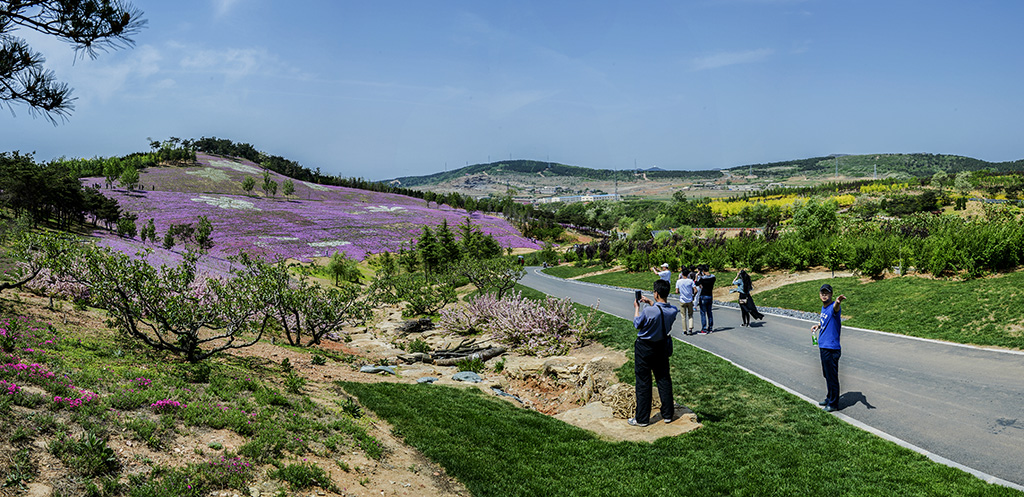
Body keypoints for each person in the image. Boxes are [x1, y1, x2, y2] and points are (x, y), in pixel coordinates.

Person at [628, 279, 679, 427]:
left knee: (643, 382)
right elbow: (660, 312)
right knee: (663, 379)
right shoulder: (673, 310)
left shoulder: (649, 310)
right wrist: (652, 302)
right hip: (661, 347)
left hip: (645, 348)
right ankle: (668, 414)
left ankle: (642, 418)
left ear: (656, 293)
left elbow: (637, 324)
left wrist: (637, 307)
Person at [811, 283, 846, 412]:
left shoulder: (833, 307)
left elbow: (835, 309)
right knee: (827, 374)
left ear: (831, 294)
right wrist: (818, 325)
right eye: (822, 293)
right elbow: (825, 320)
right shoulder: (824, 307)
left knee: (832, 376)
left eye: (827, 293)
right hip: (824, 346)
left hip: (831, 348)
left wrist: (838, 302)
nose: (824, 295)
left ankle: (833, 404)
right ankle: (829, 397)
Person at [695, 265, 716, 333]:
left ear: (703, 271)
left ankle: (704, 329)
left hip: (703, 295)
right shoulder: (713, 277)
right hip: (710, 295)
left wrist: (696, 276)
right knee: (709, 312)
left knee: (703, 312)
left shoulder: (702, 278)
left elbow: (696, 283)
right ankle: (710, 328)